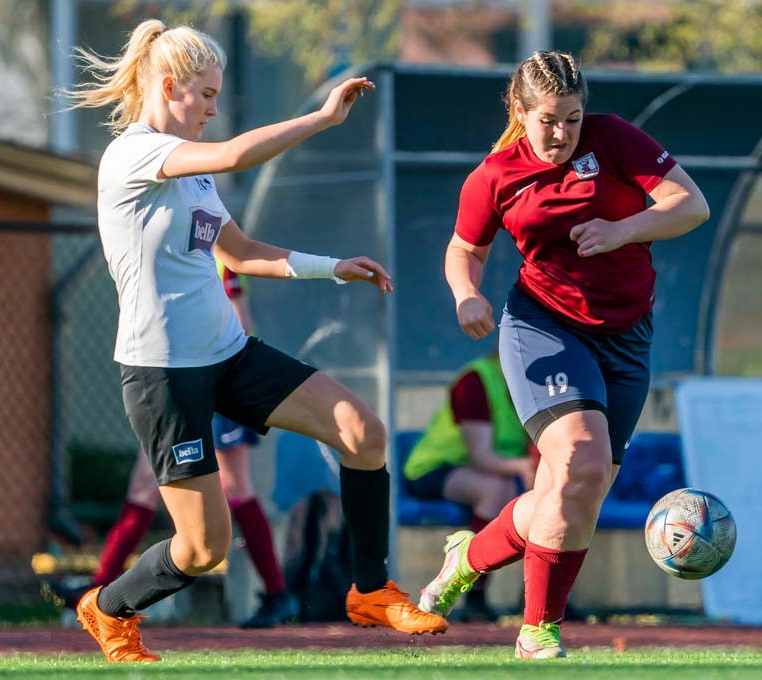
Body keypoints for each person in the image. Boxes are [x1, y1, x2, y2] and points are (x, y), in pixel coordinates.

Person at [66, 19, 446, 662]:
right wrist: (322, 119)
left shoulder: (194, 172)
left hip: (228, 353)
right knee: (202, 549)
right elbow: (239, 153)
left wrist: (333, 266)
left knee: (363, 431)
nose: (215, 108)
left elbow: (238, 254)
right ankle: (105, 607)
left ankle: (371, 589)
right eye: (207, 95)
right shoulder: (133, 154)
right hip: (163, 372)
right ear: (168, 87)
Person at [417, 50, 709, 659]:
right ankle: (537, 632)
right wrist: (465, 293)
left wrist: (623, 229)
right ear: (520, 112)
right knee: (580, 455)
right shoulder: (495, 175)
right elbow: (463, 249)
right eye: (549, 119)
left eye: (573, 119)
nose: (562, 134)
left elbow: (691, 204)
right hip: (542, 327)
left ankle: (468, 557)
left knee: (576, 487)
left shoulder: (615, 140)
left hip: (626, 337)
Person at [43, 264, 297, 629]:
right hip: (183, 385)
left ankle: (276, 594)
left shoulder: (210, 252)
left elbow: (240, 321)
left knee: (235, 488)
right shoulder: (167, 253)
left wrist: (204, 372)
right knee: (145, 485)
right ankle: (100, 589)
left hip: (213, 384)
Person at [403, 352, 537, 621]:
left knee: (549, 499)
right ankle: (474, 593)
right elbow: (481, 455)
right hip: (434, 469)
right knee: (495, 490)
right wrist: (524, 467)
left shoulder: (537, 384)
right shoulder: (476, 380)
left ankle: (539, 597)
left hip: (491, 471)